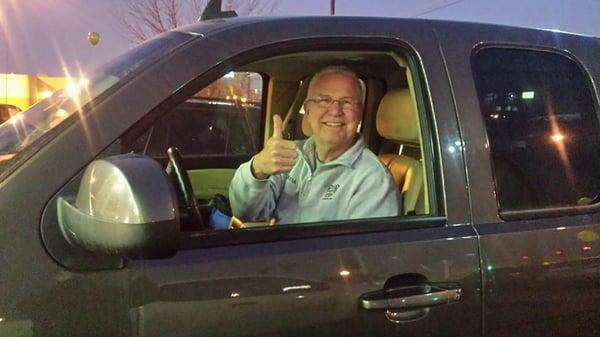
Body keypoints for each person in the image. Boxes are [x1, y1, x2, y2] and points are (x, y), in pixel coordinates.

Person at [229, 66, 401, 224]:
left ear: (359, 114)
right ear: (308, 110)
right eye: (324, 100)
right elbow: (248, 213)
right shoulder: (290, 154)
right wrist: (257, 169)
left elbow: (358, 254)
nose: (335, 111)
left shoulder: (373, 180)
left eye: (347, 102)